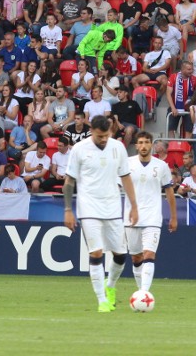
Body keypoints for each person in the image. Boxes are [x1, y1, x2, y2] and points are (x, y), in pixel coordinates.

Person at [64, 115, 138, 312]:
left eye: (106, 135)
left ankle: (110, 285)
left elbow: (126, 177)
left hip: (113, 206)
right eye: (99, 136)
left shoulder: (118, 147)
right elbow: (69, 181)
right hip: (88, 207)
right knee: (96, 253)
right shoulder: (79, 149)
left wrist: (134, 206)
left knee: (121, 255)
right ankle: (101, 301)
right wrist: (68, 210)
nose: (103, 139)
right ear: (92, 132)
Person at [122, 131, 176, 294]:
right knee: (136, 258)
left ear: (151, 145)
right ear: (136, 145)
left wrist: (173, 216)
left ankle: (144, 293)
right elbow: (116, 186)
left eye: (147, 142)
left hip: (153, 217)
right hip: (131, 217)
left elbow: (169, 192)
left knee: (149, 254)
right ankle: (140, 290)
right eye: (141, 142)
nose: (144, 146)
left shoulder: (161, 166)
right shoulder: (127, 164)